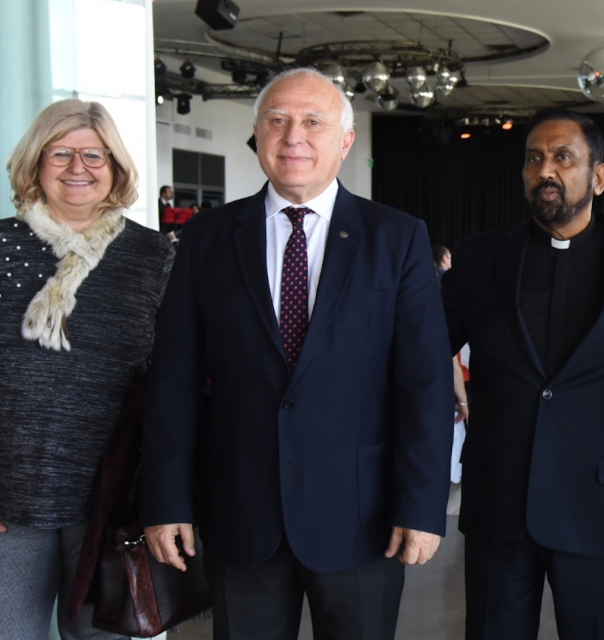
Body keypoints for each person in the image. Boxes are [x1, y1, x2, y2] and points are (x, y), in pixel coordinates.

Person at [138, 67, 452, 640]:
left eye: (313, 122)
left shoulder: (398, 238)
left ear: (345, 141)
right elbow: (174, 379)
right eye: (277, 121)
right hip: (241, 514)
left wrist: (422, 506)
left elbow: (425, 383)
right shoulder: (207, 237)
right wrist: (166, 498)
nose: (293, 137)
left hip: (363, 518)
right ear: (257, 134)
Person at [442, 108, 604, 640]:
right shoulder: (478, 259)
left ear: (598, 177)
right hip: (498, 505)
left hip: (596, 509)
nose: (546, 170)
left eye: (563, 157)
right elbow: (422, 354)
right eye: (534, 159)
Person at [0, 99, 173, 639]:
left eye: (94, 155)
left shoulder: (153, 257)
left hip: (114, 505)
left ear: (116, 166)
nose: (77, 167)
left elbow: (175, 383)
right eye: (60, 153)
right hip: (1, 501)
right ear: (35, 163)